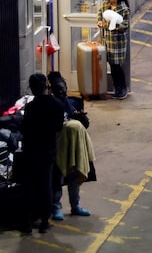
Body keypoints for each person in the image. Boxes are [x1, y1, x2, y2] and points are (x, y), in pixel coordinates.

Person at [20, 73, 66, 234]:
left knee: (29, 186)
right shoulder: (57, 106)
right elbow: (59, 127)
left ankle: (27, 223)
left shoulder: (31, 107)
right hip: (48, 151)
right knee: (46, 186)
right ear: (46, 86)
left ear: (32, 88)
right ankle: (45, 222)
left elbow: (24, 129)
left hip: (31, 151)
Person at [48, 73, 92, 221]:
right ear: (52, 90)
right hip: (58, 148)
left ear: (66, 87)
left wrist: (82, 119)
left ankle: (76, 206)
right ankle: (56, 208)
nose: (60, 92)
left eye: (62, 89)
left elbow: (85, 125)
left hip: (74, 148)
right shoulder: (52, 105)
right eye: (57, 89)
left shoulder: (73, 103)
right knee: (57, 180)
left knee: (74, 177)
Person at [97, 0, 131, 98]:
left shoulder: (124, 9)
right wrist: (99, 22)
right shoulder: (106, 6)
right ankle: (117, 89)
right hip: (107, 41)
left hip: (117, 43)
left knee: (116, 66)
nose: (108, 1)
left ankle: (122, 88)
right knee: (112, 66)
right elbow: (99, 13)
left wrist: (106, 24)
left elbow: (124, 26)